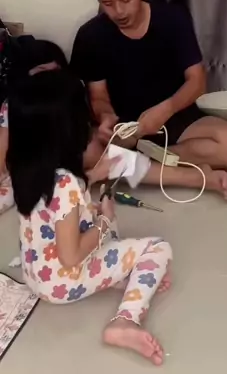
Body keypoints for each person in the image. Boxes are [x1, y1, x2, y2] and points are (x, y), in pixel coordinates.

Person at [7, 69, 171, 364]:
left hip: (36, 273)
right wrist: (104, 221)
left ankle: (120, 276)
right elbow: (71, 256)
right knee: (158, 248)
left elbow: (56, 204)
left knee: (94, 212)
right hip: (63, 281)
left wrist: (94, 176)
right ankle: (125, 321)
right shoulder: (66, 183)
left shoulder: (24, 167)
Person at [71, 0, 227, 201]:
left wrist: (165, 110)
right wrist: (106, 117)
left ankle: (135, 165)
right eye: (108, 4)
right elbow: (98, 95)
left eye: (126, 0)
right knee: (84, 155)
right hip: (124, 130)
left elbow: (197, 81)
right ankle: (176, 173)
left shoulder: (172, 18)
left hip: (174, 118)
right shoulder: (91, 35)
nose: (119, 12)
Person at [0, 39, 69, 216]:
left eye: (55, 72)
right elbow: (3, 147)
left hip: (56, 170)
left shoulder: (66, 102)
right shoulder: (13, 105)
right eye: (42, 73)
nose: (49, 80)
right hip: (21, 167)